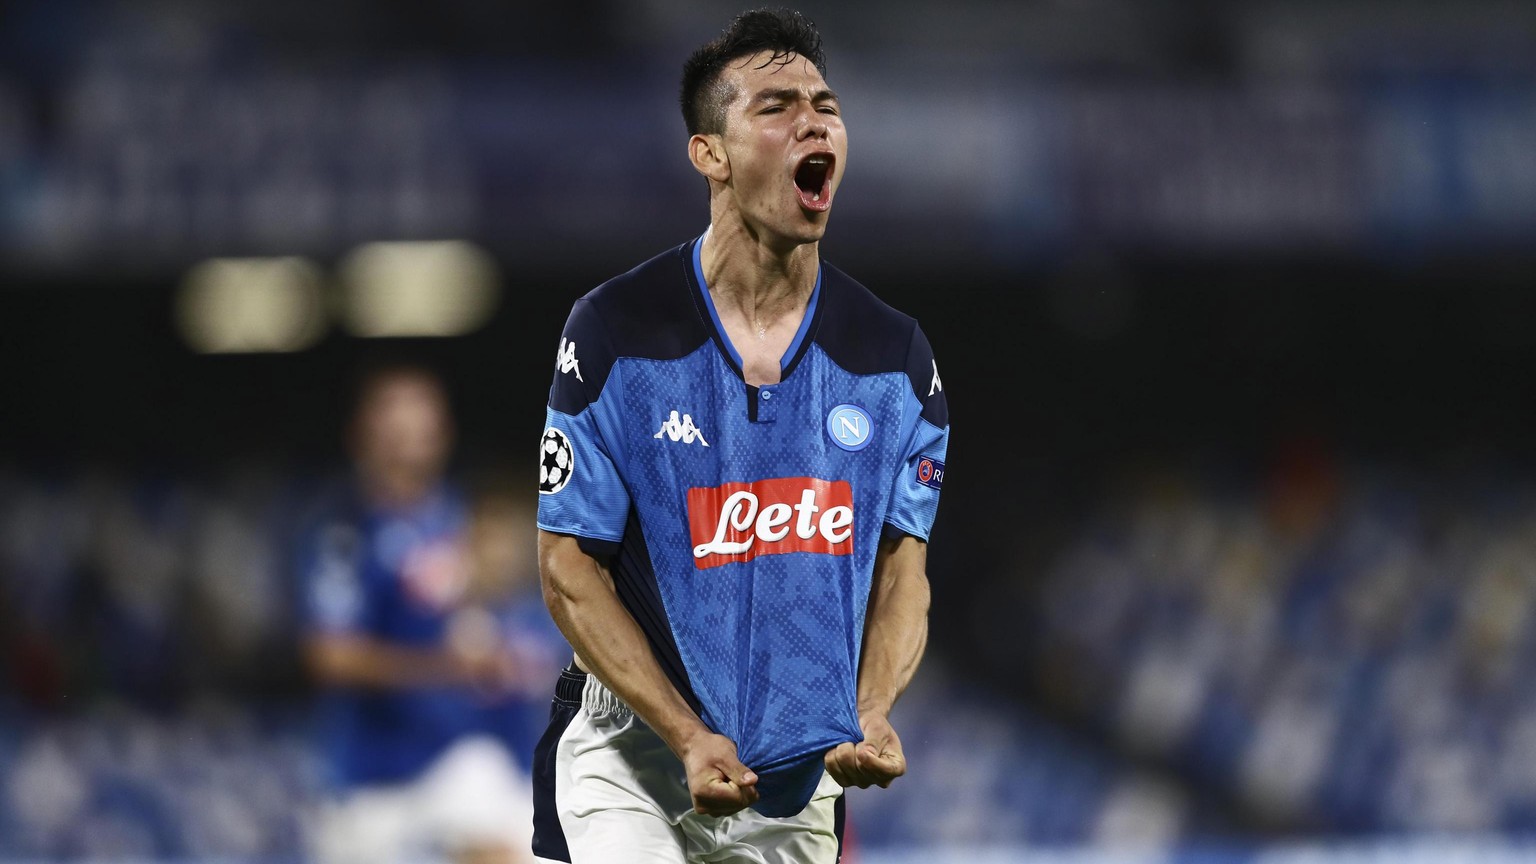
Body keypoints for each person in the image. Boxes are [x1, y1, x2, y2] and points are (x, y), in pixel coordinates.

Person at [530, 8, 950, 862]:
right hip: (634, 758)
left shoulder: (893, 356)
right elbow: (567, 566)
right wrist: (685, 734)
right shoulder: (618, 330)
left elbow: (906, 571)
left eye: (824, 104)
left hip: (795, 778)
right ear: (710, 154)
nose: (812, 120)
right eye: (775, 106)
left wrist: (872, 708)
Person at [295, 361, 537, 864]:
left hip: (456, 764)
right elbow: (329, 656)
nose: (411, 437)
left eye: (421, 422)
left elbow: (485, 622)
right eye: (395, 423)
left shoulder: (455, 520)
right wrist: (442, 667)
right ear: (362, 435)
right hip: (376, 784)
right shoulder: (346, 530)